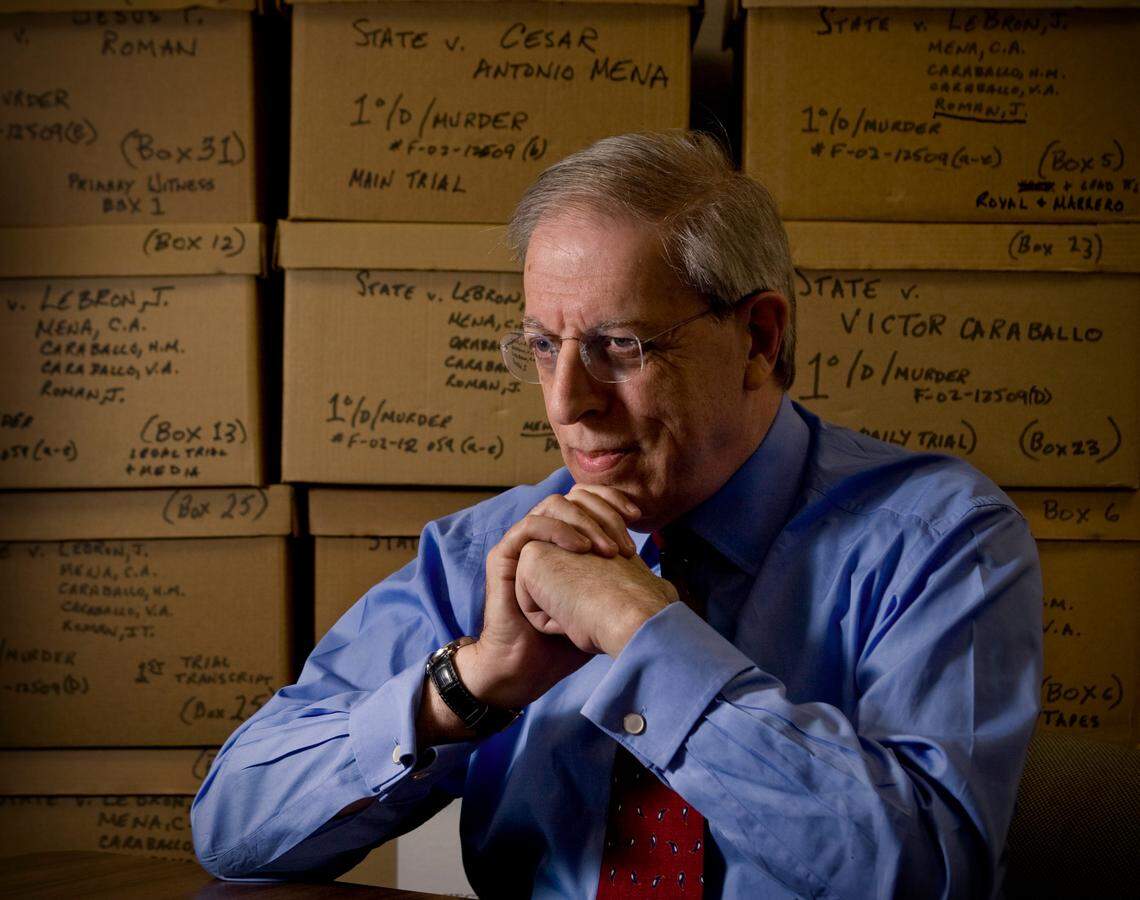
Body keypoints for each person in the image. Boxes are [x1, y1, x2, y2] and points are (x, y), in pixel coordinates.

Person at [192, 131, 1042, 898]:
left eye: (620, 348)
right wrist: (470, 686)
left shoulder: (940, 541)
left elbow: (931, 875)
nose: (567, 403)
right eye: (541, 347)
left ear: (759, 338)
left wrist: (646, 639)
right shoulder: (487, 554)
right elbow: (231, 827)